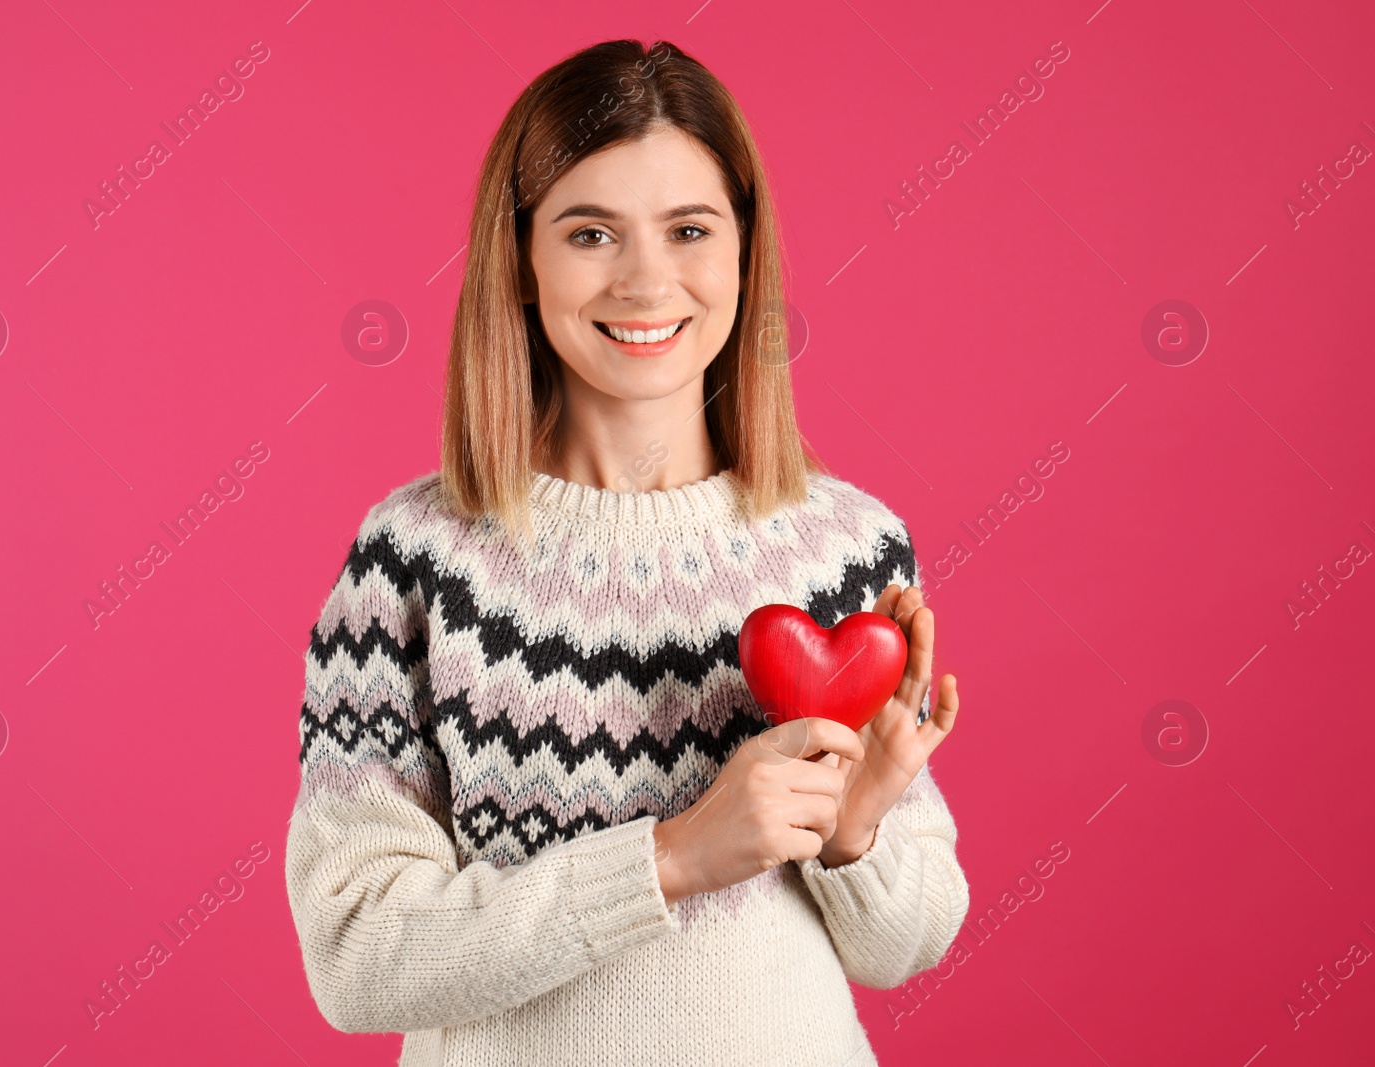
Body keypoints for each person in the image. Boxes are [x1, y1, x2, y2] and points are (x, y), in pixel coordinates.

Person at [285, 37, 968, 1067]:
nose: (647, 280)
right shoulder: (414, 562)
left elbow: (904, 943)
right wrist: (671, 858)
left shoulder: (847, 546)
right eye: (590, 232)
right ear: (520, 260)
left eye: (689, 229)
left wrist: (854, 834)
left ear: (742, 250)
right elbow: (356, 954)